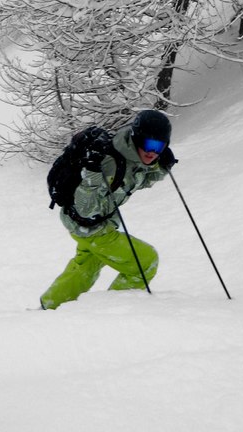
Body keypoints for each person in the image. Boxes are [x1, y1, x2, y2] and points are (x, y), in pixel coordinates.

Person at [40, 109, 175, 310]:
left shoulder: (134, 158)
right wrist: (92, 174)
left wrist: (163, 167)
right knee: (145, 262)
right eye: (149, 144)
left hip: (90, 224)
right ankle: (111, 311)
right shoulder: (111, 162)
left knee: (85, 266)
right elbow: (86, 208)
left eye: (160, 146)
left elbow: (140, 180)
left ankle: (49, 307)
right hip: (91, 226)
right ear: (137, 139)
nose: (153, 152)